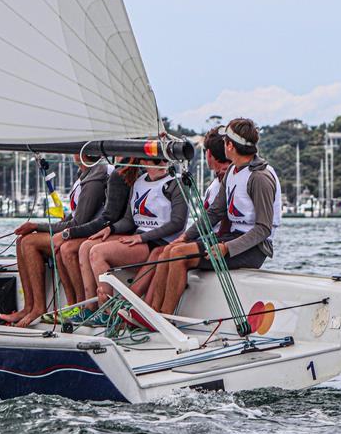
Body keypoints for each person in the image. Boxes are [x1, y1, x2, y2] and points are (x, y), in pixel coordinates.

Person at [157, 117, 282, 316]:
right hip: (231, 239)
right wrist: (185, 237)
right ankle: (153, 313)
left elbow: (263, 229)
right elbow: (215, 212)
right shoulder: (233, 170)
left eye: (224, 141)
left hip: (254, 248)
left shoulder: (259, 178)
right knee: (170, 250)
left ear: (230, 146)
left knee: (179, 255)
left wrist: (226, 248)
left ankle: (165, 317)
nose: (222, 145)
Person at [0, 154, 108, 327]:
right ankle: (29, 307)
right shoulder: (85, 176)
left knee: (29, 242)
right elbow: (72, 217)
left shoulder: (95, 179)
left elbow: (79, 223)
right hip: (76, 231)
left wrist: (37, 226)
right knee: (22, 241)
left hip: (85, 234)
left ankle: (42, 308)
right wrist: (38, 226)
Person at [138, 126, 231, 311]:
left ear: (209, 155)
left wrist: (187, 239)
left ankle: (161, 313)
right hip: (209, 237)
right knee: (161, 252)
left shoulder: (227, 179)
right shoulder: (220, 179)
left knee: (172, 253)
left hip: (221, 241)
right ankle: (150, 309)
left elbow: (220, 219)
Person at [87, 157, 188, 306]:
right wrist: (111, 229)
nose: (163, 164)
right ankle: (91, 307)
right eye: (157, 161)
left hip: (159, 242)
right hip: (142, 239)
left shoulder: (175, 183)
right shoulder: (138, 183)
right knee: (85, 247)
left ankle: (108, 309)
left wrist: (142, 238)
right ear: (144, 162)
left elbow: (177, 223)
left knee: (97, 252)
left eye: (166, 161)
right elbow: (129, 220)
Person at [57, 158, 140, 311]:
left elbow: (111, 218)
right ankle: (85, 307)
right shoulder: (122, 174)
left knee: (81, 249)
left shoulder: (118, 175)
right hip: (123, 230)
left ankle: (103, 309)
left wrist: (70, 233)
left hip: (136, 236)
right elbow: (124, 218)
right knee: (79, 247)